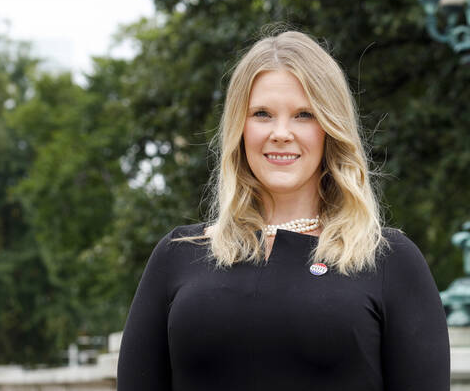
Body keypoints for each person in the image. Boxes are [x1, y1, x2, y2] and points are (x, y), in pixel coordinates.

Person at [117, 30, 450, 390]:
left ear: (330, 128)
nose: (281, 133)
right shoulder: (177, 256)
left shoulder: (389, 261)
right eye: (262, 114)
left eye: (304, 115)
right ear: (239, 127)